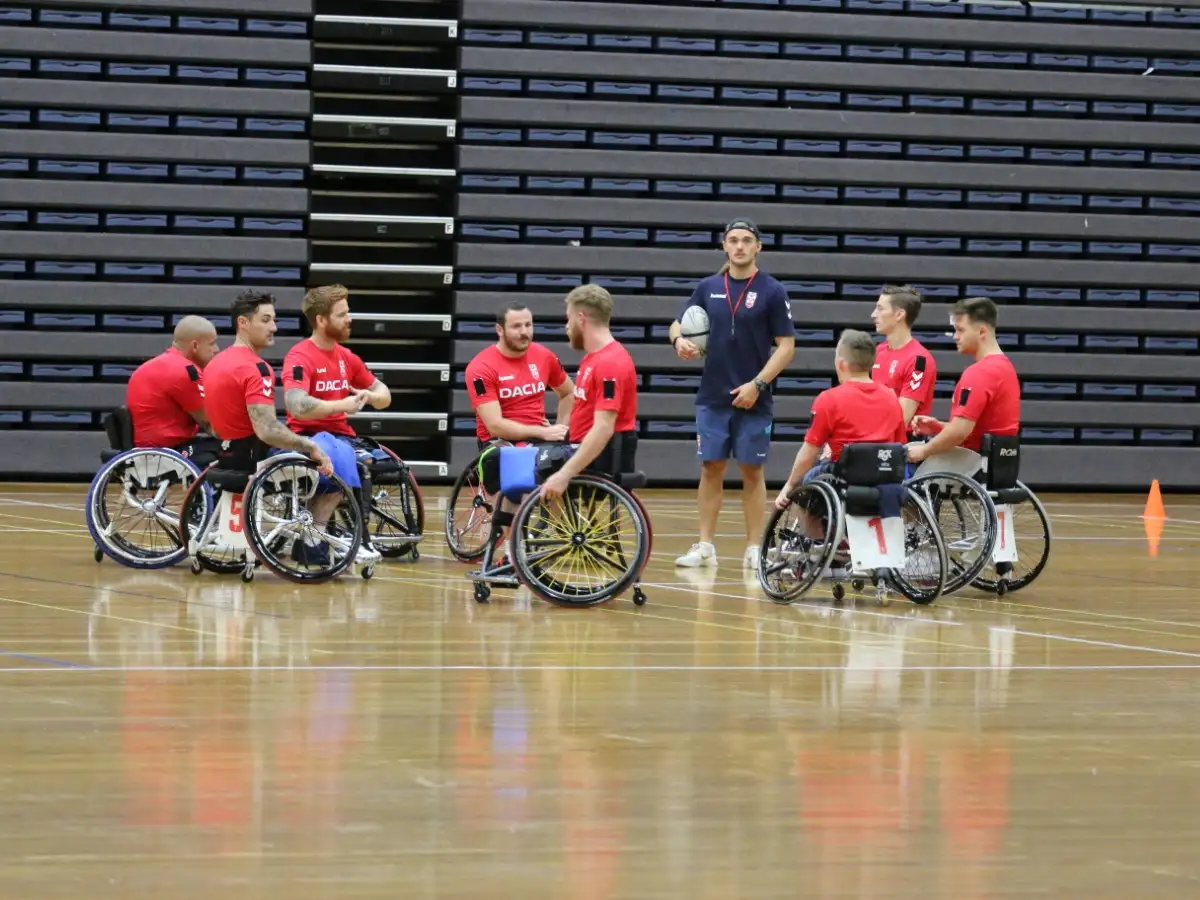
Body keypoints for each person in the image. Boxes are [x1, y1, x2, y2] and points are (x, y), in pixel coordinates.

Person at [667, 218, 796, 570]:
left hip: (754, 397)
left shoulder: (772, 291)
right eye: (733, 240)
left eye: (746, 240)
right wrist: (679, 340)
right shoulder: (708, 287)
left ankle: (755, 548)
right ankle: (705, 545)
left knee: (752, 471)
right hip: (713, 396)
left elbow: (786, 347)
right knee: (711, 468)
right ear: (725, 246)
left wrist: (757, 385)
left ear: (758, 247)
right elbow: (678, 323)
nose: (739, 246)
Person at [203, 289, 332, 476]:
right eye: (265, 320)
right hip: (254, 460)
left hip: (226, 458)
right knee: (336, 462)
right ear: (243, 322)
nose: (274, 328)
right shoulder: (257, 368)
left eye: (274, 320)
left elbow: (213, 426)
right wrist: (309, 445)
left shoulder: (214, 363)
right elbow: (267, 431)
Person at [775, 330, 908, 508]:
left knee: (804, 482)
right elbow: (899, 444)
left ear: (841, 364)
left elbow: (809, 453)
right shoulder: (891, 397)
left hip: (844, 479)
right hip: (884, 478)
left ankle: (814, 534)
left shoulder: (829, 399)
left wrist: (790, 485)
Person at [540, 284, 638, 500]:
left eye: (569, 319)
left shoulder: (610, 364)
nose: (567, 326)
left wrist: (564, 474)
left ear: (581, 318)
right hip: (580, 446)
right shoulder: (591, 358)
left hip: (600, 460)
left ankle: (548, 530)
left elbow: (603, 428)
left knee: (535, 464)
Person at [906, 297, 1020, 478]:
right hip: (997, 462)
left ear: (982, 331)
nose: (955, 336)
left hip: (971, 463)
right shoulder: (1006, 368)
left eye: (960, 330)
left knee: (897, 465)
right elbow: (982, 431)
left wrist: (924, 450)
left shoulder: (979, 373)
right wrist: (940, 427)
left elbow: (959, 432)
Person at [464, 301, 575, 448]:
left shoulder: (545, 356)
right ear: (499, 329)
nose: (524, 332)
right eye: (516, 326)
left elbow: (569, 393)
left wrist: (559, 428)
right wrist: (542, 432)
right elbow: (495, 425)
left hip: (539, 440)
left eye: (528, 325)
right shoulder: (479, 369)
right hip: (499, 443)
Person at [125, 315, 222, 464]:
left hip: (142, 450)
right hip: (166, 453)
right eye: (212, 344)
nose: (216, 350)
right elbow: (210, 419)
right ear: (195, 346)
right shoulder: (186, 371)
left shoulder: (158, 364)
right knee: (233, 448)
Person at [870, 284, 937, 433]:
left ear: (899, 315)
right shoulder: (878, 351)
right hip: (874, 439)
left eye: (880, 308)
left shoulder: (918, 360)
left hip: (903, 448)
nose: (873, 314)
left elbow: (900, 419)